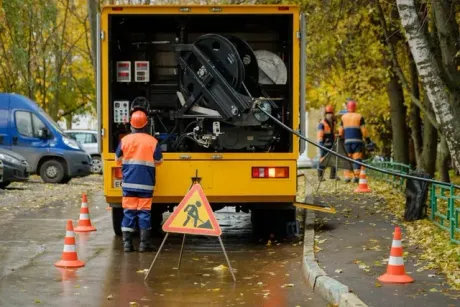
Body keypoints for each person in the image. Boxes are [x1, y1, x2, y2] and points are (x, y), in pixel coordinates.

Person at [115, 110, 163, 253]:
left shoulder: (125, 140)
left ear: (131, 125)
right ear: (145, 125)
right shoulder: (152, 141)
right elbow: (159, 161)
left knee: (129, 212)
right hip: (146, 184)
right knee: (144, 213)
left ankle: (127, 245)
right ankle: (144, 244)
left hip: (129, 183)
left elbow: (117, 159)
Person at [338, 100, 374, 183]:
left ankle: (347, 177)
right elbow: (364, 130)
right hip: (357, 141)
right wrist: (368, 140)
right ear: (355, 107)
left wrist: (340, 137)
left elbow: (340, 130)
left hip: (347, 142)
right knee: (357, 159)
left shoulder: (343, 117)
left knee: (347, 158)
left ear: (348, 107)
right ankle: (356, 177)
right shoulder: (359, 117)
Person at [317, 105, 338, 180]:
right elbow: (320, 135)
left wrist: (335, 140)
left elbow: (334, 133)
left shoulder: (334, 123)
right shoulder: (322, 123)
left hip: (332, 143)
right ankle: (320, 176)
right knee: (323, 159)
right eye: (328, 113)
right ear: (325, 114)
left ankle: (333, 175)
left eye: (331, 113)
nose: (330, 114)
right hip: (323, 144)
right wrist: (321, 144)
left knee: (334, 159)